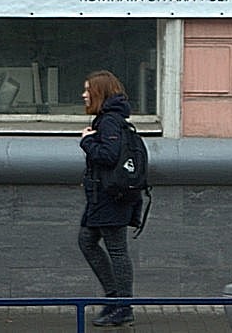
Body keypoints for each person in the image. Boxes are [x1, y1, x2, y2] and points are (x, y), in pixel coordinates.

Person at [78, 70, 144, 327]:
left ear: (100, 92)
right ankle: (115, 297)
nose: (84, 95)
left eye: (88, 90)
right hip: (104, 196)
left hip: (111, 197)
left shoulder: (109, 121)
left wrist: (87, 141)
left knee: (117, 250)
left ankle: (123, 306)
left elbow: (108, 155)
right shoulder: (110, 120)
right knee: (87, 240)